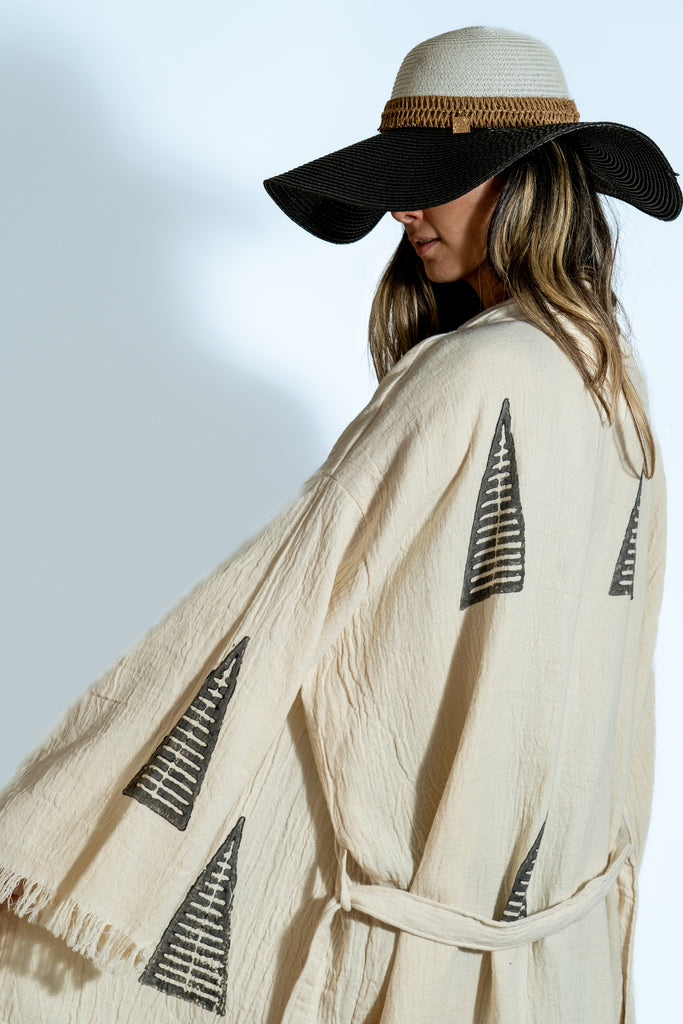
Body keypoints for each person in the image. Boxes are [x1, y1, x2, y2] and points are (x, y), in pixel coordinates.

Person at [0, 24, 679, 1024]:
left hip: (423, 966)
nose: (403, 209)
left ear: (520, 181)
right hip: (551, 956)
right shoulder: (609, 377)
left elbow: (274, 610)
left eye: (430, 179)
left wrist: (61, 822)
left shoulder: (474, 375)